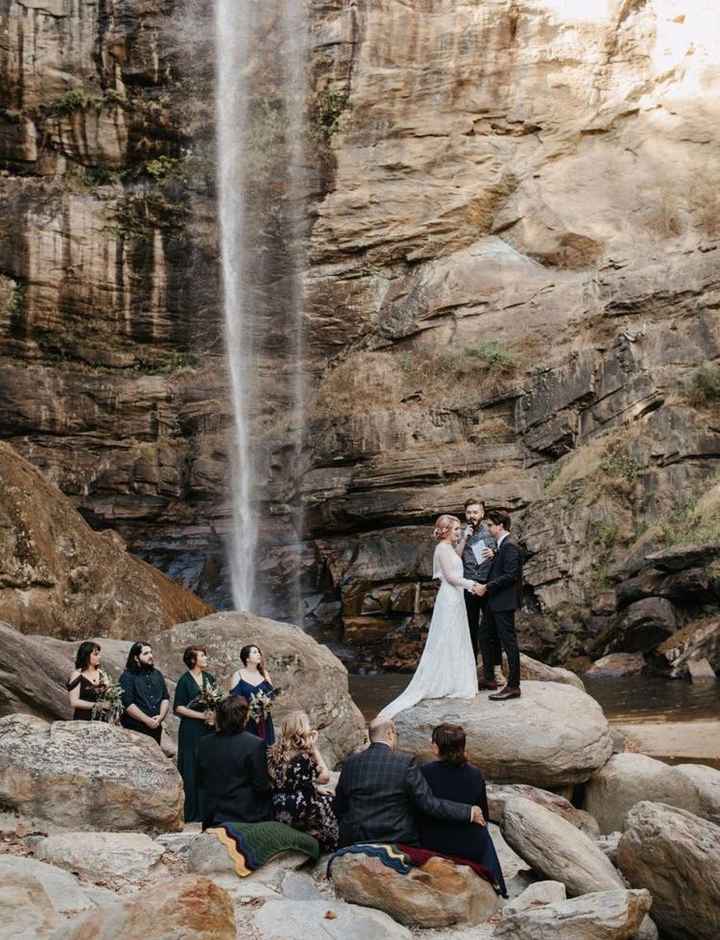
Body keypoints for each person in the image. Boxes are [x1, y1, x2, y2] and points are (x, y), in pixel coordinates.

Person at [377, 515, 480, 720]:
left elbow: (457, 560)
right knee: (447, 638)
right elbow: (450, 577)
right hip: (450, 597)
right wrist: (473, 585)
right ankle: (443, 681)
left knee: (457, 638)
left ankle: (455, 680)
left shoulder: (449, 548)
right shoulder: (441, 549)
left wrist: (465, 539)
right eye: (456, 529)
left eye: (460, 529)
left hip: (456, 597)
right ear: (446, 531)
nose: (459, 532)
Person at [333, 717, 485, 847]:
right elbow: (428, 804)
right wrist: (468, 812)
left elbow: (339, 806)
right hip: (395, 838)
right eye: (396, 733)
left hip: (356, 839)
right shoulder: (405, 762)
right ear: (390, 733)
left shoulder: (350, 763)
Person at [419, 723, 506, 895]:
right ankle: (497, 884)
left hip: (435, 841)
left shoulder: (424, 772)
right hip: (469, 844)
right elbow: (484, 813)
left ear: (436, 748)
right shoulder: (475, 773)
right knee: (483, 833)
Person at [196, 694, 273, 828]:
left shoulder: (204, 743)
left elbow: (200, 780)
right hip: (245, 816)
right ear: (245, 717)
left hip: (212, 815)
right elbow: (261, 786)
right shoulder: (255, 744)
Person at [268, 710, 338, 851]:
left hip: (278, 808)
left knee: (322, 794)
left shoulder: (273, 753)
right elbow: (325, 777)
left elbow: (290, 781)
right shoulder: (304, 757)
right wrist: (314, 749)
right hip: (299, 811)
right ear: (302, 729)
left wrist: (316, 788)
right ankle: (328, 840)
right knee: (331, 800)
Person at [475, 511, 523, 701]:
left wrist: (486, 587)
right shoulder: (502, 546)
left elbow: (511, 575)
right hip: (494, 602)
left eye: (490, 525)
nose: (488, 528)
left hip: (504, 602)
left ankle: (513, 686)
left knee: (509, 643)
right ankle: (490, 678)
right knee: (485, 635)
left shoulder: (510, 546)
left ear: (500, 526)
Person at [457, 499, 501, 689]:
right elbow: (452, 557)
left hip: (488, 585)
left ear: (482, 514)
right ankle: (471, 671)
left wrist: (495, 553)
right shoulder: (459, 533)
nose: (472, 516)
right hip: (468, 586)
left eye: (475, 512)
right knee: (470, 629)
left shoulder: (491, 531)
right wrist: (464, 538)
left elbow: (505, 553)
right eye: (469, 512)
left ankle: (496, 671)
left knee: (492, 629)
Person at [174, 645, 217, 823]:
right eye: (202, 656)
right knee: (191, 767)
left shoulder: (209, 678)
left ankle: (207, 811)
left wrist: (214, 715)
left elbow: (217, 700)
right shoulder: (184, 681)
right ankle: (191, 812)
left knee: (207, 766)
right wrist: (202, 715)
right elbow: (178, 708)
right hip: (191, 729)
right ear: (193, 660)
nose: (206, 659)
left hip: (208, 729)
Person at [119, 642, 170, 743]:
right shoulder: (127, 676)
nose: (150, 656)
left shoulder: (157, 674)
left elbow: (165, 698)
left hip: (156, 727)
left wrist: (160, 717)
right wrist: (147, 720)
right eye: (145, 653)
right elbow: (128, 704)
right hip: (135, 729)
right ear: (136, 658)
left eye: (151, 652)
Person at [230, 644, 276, 745]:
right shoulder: (238, 675)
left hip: (265, 720)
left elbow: (272, 696)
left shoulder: (264, 673)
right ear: (247, 658)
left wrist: (265, 702)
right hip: (246, 721)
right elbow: (233, 701)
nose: (259, 654)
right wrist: (250, 708)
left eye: (259, 652)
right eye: (255, 652)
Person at [67, 641, 109, 721]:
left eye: (99, 654)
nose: (99, 657)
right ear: (86, 656)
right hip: (83, 720)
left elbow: (108, 693)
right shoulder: (77, 674)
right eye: (95, 654)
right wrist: (98, 705)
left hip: (101, 720)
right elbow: (74, 702)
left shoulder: (102, 674)